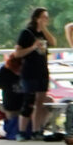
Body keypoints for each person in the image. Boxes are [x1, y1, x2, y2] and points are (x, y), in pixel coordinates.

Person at [19, 9, 56, 138]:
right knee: (29, 102)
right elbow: (17, 53)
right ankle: (22, 131)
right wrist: (33, 47)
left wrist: (44, 29)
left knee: (40, 102)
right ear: (36, 18)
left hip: (42, 71)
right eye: (43, 17)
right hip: (29, 71)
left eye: (47, 17)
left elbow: (53, 42)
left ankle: (36, 130)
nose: (46, 19)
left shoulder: (44, 33)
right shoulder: (26, 33)